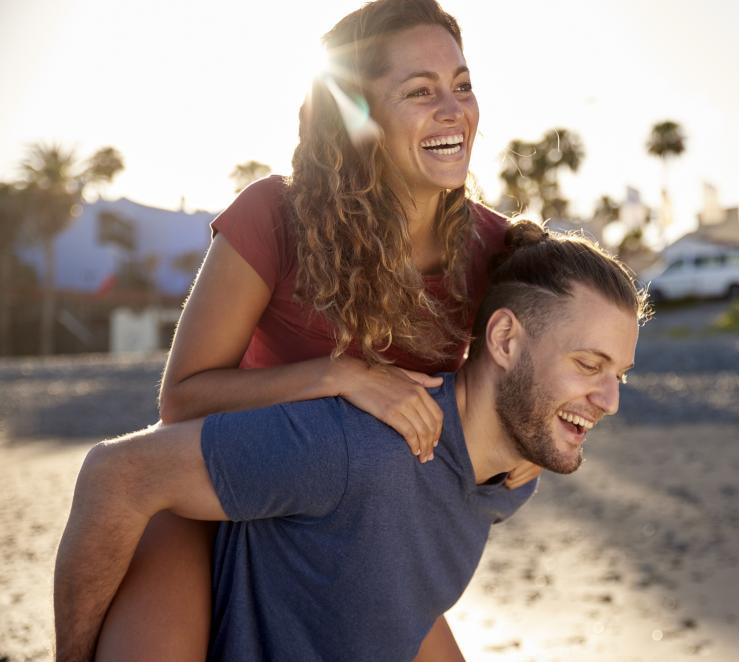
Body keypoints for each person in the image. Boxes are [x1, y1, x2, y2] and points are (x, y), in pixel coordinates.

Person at [96, 1, 539, 659]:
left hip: (362, 535)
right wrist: (341, 377)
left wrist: (533, 429)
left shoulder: (494, 248)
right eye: (421, 91)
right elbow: (181, 400)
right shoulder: (274, 213)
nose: (454, 110)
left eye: (462, 85)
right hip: (219, 501)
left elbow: (560, 360)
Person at [54, 223, 648, 661]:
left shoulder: (510, 478)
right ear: (506, 340)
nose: (609, 399)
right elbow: (116, 473)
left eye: (617, 375)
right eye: (588, 364)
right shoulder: (358, 446)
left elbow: (394, 582)